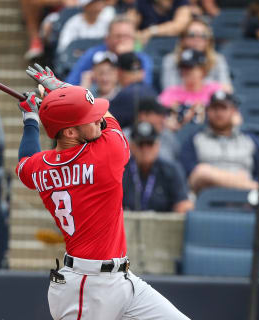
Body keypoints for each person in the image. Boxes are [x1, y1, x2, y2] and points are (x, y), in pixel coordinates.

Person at [17, 63, 190, 319]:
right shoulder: (106, 154)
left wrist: (31, 120)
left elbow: (24, 164)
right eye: (89, 117)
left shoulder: (41, 166)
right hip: (87, 288)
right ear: (71, 131)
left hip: (122, 280)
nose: (98, 118)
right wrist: (63, 88)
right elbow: (111, 122)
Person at [179, 90, 259, 194]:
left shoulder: (249, 140)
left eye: (223, 108)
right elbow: (191, 176)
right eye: (214, 108)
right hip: (205, 199)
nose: (219, 113)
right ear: (207, 111)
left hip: (244, 200)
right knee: (202, 171)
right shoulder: (195, 139)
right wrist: (238, 180)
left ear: (234, 111)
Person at [123, 121, 193, 213]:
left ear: (157, 145)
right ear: (131, 146)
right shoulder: (121, 170)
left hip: (164, 225)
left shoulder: (171, 169)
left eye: (150, 143)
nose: (145, 149)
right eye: (140, 144)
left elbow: (184, 203)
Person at [65, 16, 153, 85]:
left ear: (134, 39)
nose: (122, 40)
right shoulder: (93, 55)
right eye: (118, 36)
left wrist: (127, 57)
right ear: (107, 38)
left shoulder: (141, 59)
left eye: (126, 36)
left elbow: (145, 87)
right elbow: (71, 82)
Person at [161, 18, 232, 91]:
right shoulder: (172, 59)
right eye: (192, 35)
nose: (197, 39)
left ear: (209, 40)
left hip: (211, 101)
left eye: (203, 36)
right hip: (180, 101)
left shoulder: (217, 59)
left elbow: (227, 88)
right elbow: (168, 90)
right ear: (183, 39)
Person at [109, 51, 158, 129]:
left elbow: (105, 122)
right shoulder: (151, 90)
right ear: (142, 72)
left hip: (135, 138)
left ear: (119, 72)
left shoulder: (125, 95)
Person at [124, 97, 180, 162]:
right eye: (158, 114)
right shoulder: (124, 137)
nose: (162, 118)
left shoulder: (167, 135)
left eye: (163, 114)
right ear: (143, 115)